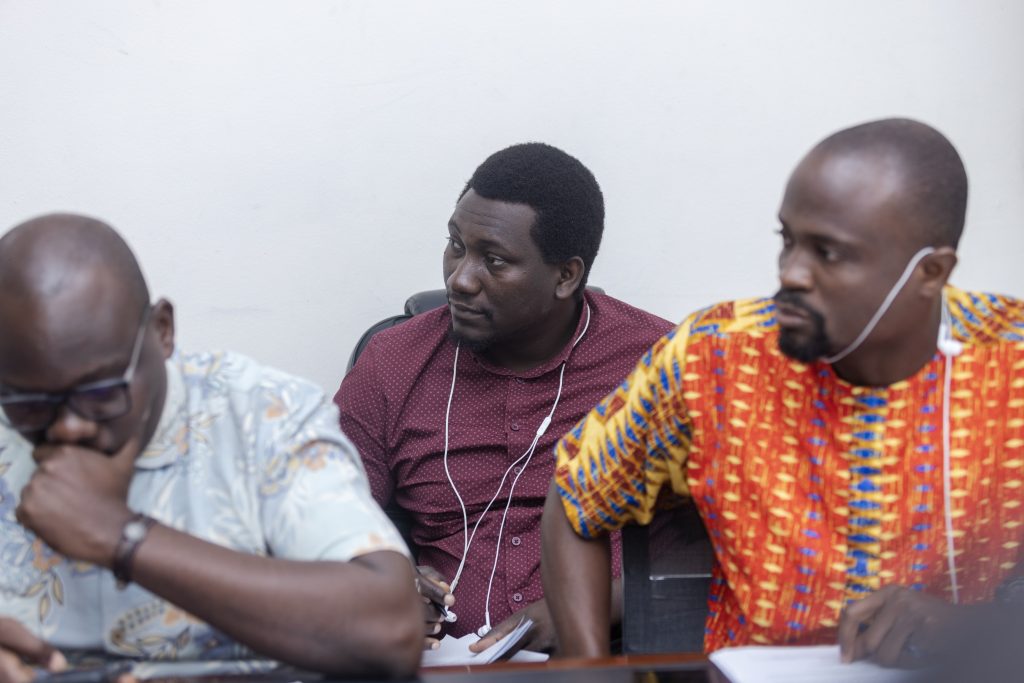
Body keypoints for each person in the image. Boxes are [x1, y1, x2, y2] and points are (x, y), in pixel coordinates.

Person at [541, 118, 1024, 666]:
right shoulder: (713, 356)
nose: (791, 273)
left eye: (829, 253)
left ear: (930, 272)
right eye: (788, 241)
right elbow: (576, 496)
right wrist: (587, 668)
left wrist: (974, 625)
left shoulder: (1009, 367)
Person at [0, 214, 421, 681]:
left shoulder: (266, 416)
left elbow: (390, 631)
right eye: (29, 405)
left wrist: (122, 535)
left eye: (101, 393)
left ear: (162, 331)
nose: (69, 428)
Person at [335, 142, 673, 653]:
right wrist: (379, 579)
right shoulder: (393, 362)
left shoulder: (661, 365)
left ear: (566, 276)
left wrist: (587, 605)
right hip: (438, 661)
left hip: (612, 656)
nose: (460, 279)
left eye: (493, 261)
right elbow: (317, 517)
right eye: (455, 245)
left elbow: (733, 546)